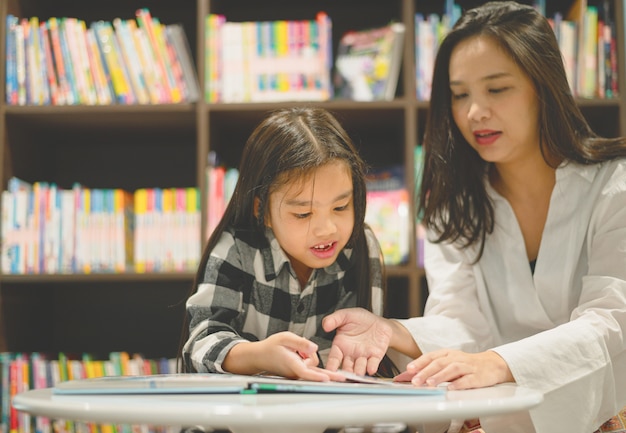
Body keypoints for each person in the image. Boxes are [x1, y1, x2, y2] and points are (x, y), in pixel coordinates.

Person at [321, 2, 626, 432]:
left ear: (544, 87)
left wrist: (498, 362)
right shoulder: (453, 202)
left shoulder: (615, 185)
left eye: (497, 89)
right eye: (460, 95)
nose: (474, 112)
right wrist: (389, 330)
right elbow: (460, 320)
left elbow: (613, 321)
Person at [179, 107, 397, 381]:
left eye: (341, 207)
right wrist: (259, 355)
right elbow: (200, 343)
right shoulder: (236, 249)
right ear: (264, 211)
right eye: (303, 214)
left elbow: (360, 355)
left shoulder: (360, 247)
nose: (327, 229)